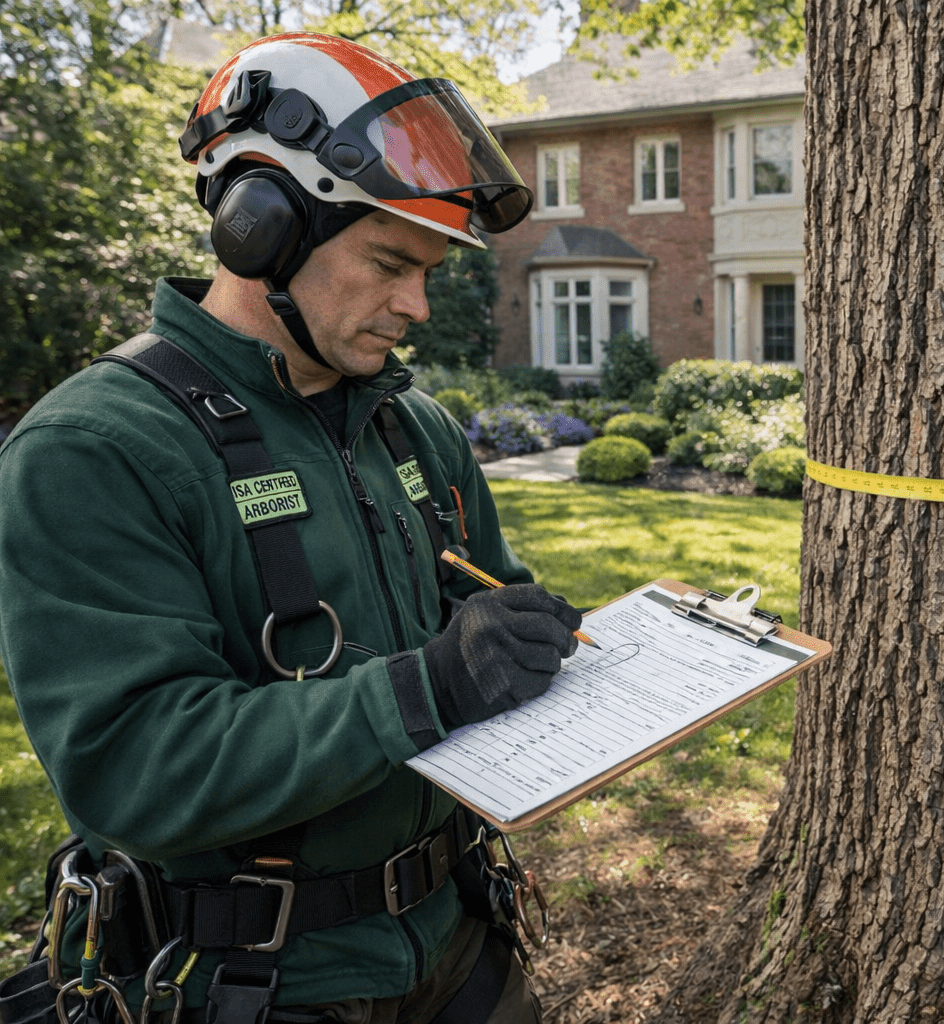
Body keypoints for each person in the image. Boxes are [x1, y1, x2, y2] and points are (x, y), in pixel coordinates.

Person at [0, 32, 579, 1024]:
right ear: (258, 227)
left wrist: (533, 645)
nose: (416, 306)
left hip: (461, 943)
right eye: (391, 264)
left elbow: (490, 608)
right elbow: (135, 764)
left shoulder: (416, 428)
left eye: (431, 271)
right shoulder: (94, 451)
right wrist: (429, 686)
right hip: (263, 986)